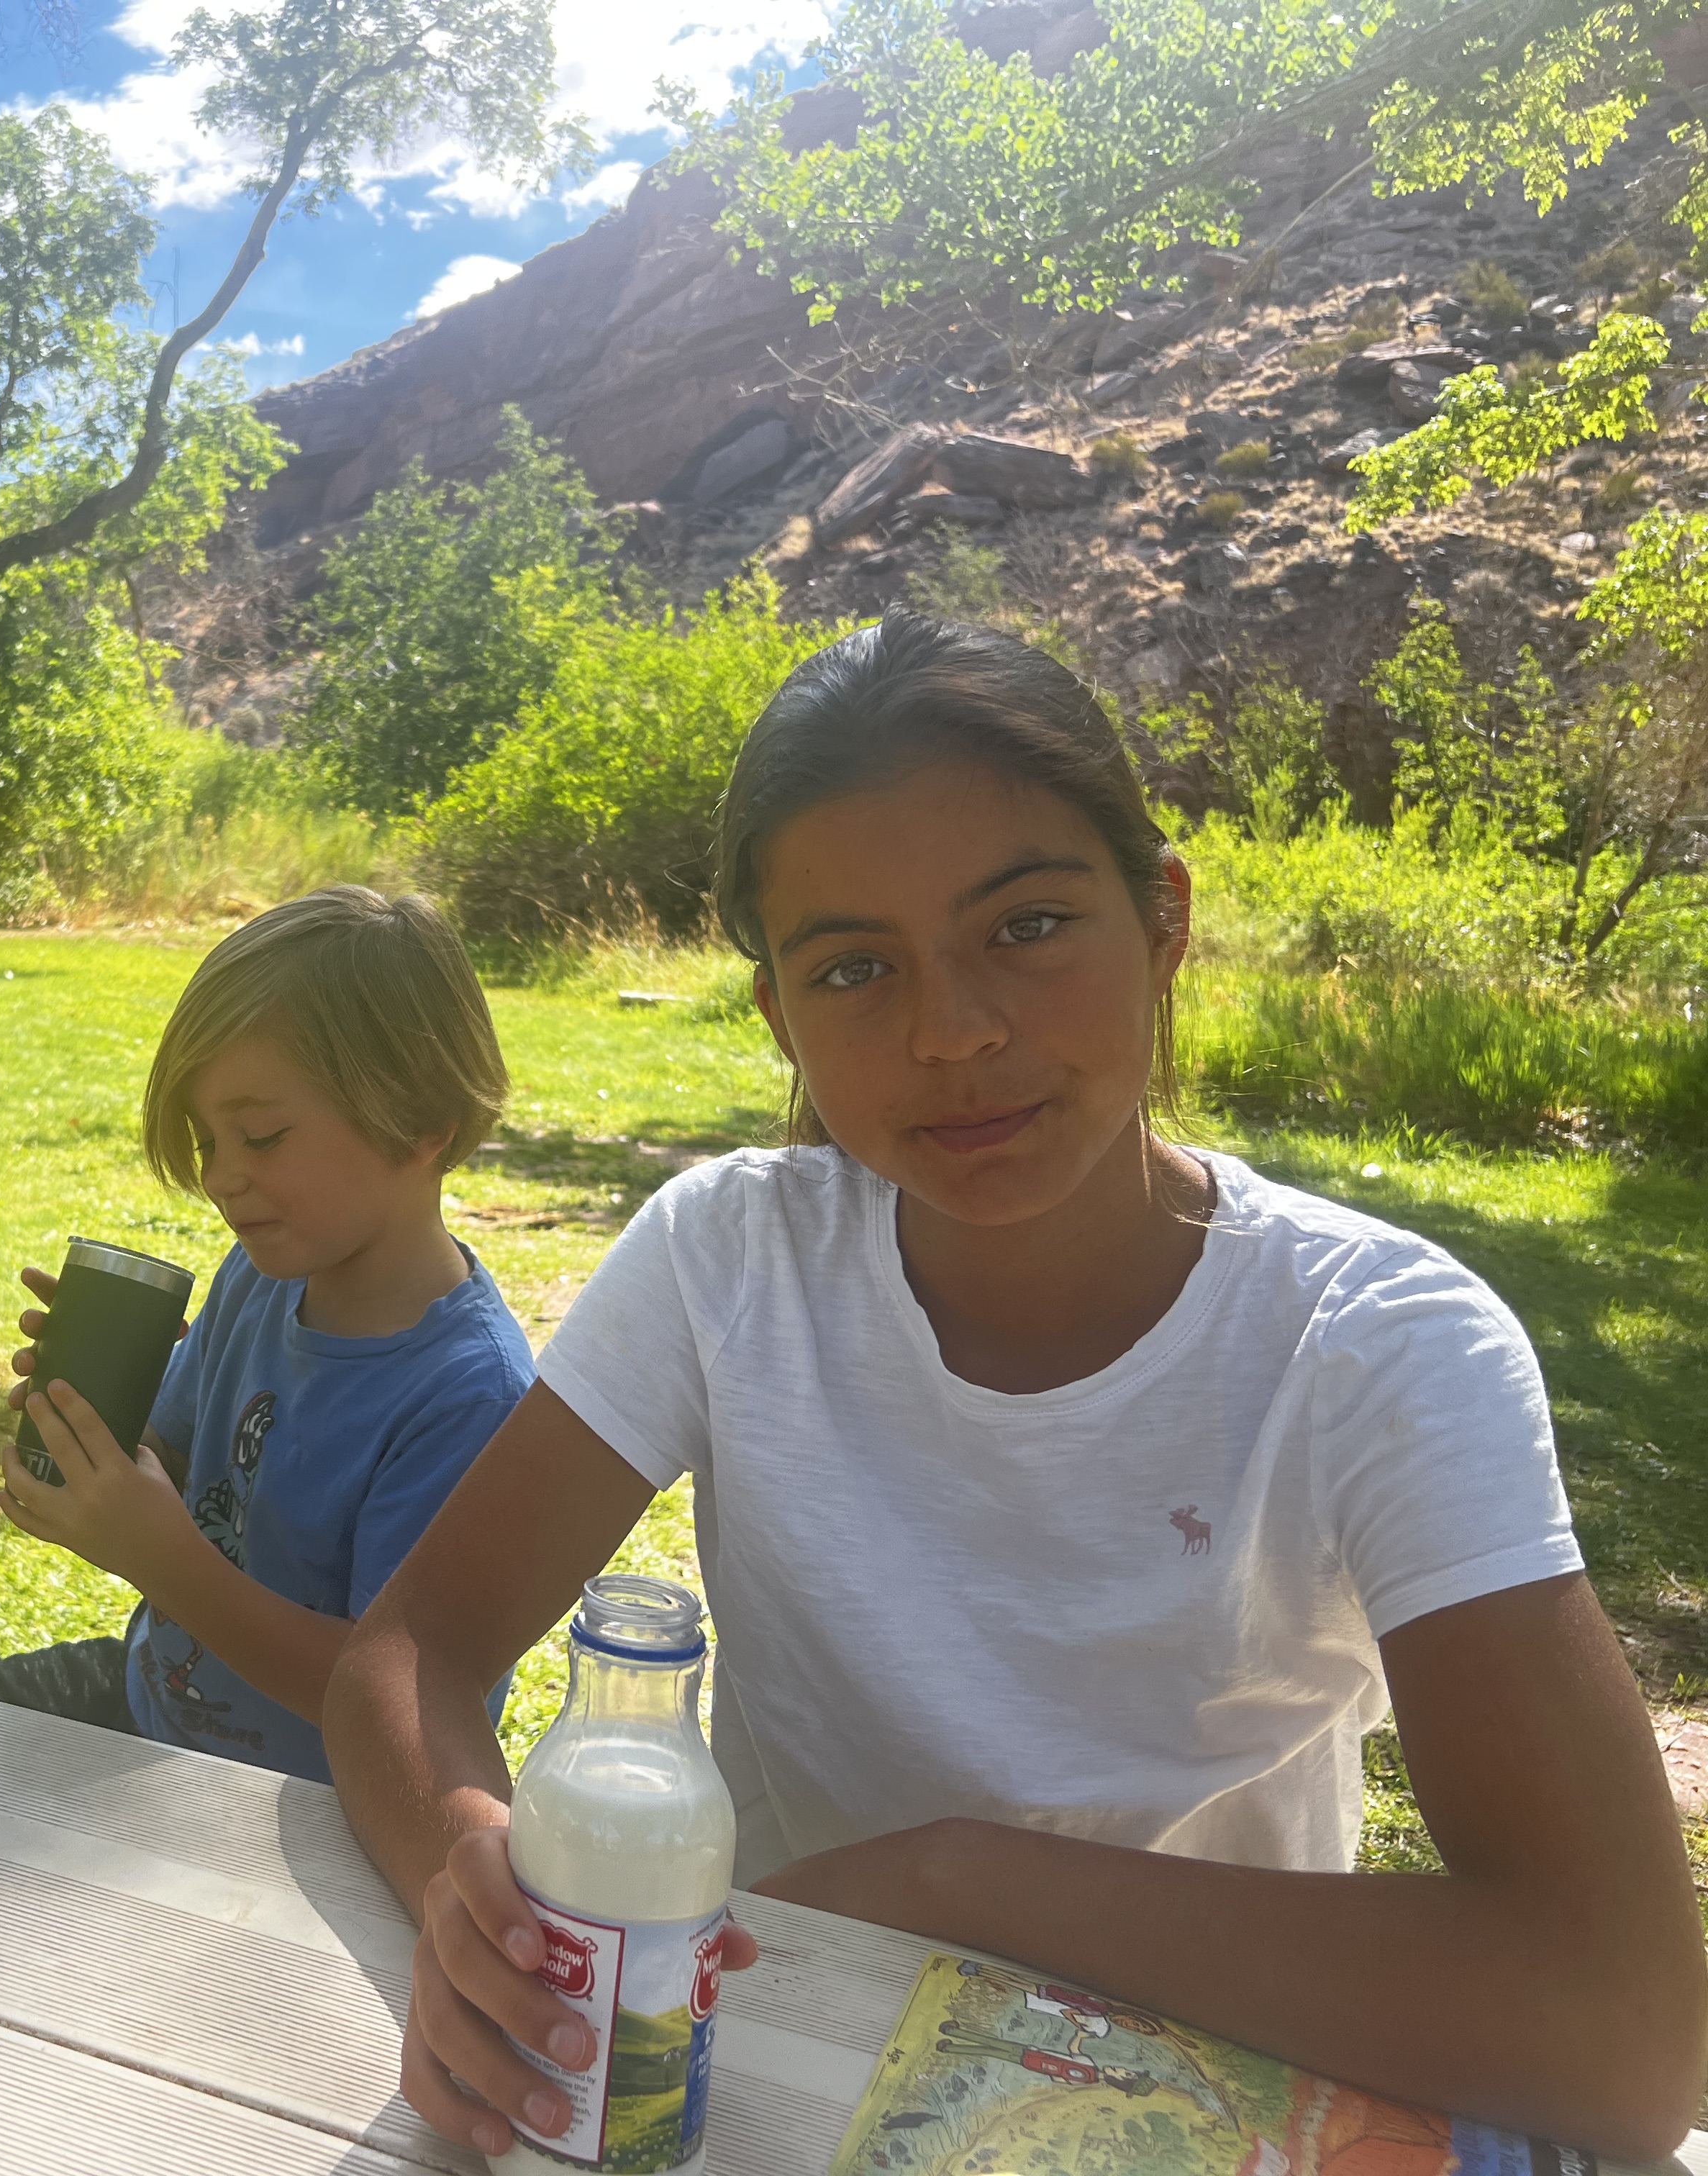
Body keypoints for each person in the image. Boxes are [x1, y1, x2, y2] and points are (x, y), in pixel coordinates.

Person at [322, 616, 1706, 2157]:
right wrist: (476, 1886)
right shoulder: (731, 1261)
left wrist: (954, 1881)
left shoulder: (1373, 1342)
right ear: (781, 1016)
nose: (954, 1031)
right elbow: (412, 1651)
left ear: (1163, 918)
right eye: (855, 968)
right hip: (789, 2083)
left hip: (1209, 2096)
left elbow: (1626, 2027)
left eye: (1028, 925)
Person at [0, 885, 533, 1784]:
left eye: (260, 1136)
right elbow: (176, 1461)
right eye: (206, 1140)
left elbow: (392, 1697)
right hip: (147, 1711)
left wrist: (165, 1561)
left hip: (301, 1808)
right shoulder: (259, 1277)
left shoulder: (469, 1395)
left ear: (420, 1123)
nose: (221, 1177)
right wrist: (92, 1430)